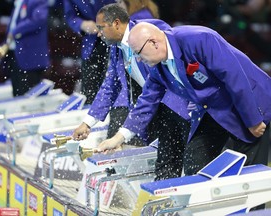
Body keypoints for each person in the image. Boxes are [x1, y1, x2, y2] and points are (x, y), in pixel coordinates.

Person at [97, 21, 271, 177]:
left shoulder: (199, 38)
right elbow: (147, 101)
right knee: (195, 163)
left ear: (153, 43)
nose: (138, 59)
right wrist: (118, 138)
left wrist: (253, 120)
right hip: (214, 109)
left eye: (138, 53)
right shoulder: (157, 67)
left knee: (250, 174)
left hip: (251, 102)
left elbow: (235, 78)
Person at [72, 3, 191, 180]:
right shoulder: (116, 46)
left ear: (117, 23)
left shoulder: (147, 30)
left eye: (101, 28)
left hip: (178, 105)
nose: (98, 33)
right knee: (164, 163)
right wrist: (88, 122)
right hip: (153, 107)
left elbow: (170, 61)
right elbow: (110, 84)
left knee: (184, 162)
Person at [0, 0, 50, 96]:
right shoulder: (18, 2)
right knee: (17, 94)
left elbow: (38, 19)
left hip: (30, 58)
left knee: (27, 99)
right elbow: (12, 27)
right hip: (14, 55)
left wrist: (15, 31)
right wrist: (4, 45)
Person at [63, 0, 115, 104]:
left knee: (115, 87)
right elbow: (70, 16)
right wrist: (82, 24)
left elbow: (126, 7)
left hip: (115, 37)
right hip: (91, 44)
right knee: (90, 92)